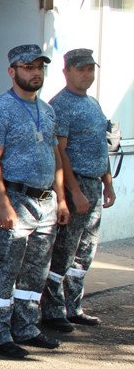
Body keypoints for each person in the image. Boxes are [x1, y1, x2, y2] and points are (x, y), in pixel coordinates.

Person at [0, 44, 69, 358]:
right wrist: (3, 203)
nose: (35, 73)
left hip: (46, 204)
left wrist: (62, 200)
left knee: (36, 272)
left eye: (39, 67)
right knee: (4, 270)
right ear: (12, 71)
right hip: (15, 200)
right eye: (28, 67)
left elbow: (55, 156)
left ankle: (26, 327)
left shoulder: (48, 110)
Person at [41, 48, 116, 332]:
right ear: (67, 72)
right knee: (64, 250)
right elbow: (60, 152)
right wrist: (73, 191)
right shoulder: (60, 105)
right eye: (81, 69)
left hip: (95, 183)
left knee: (85, 250)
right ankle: (53, 310)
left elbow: (101, 144)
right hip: (78, 184)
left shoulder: (92, 103)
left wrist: (108, 181)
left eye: (90, 69)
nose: (87, 74)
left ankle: (73, 306)